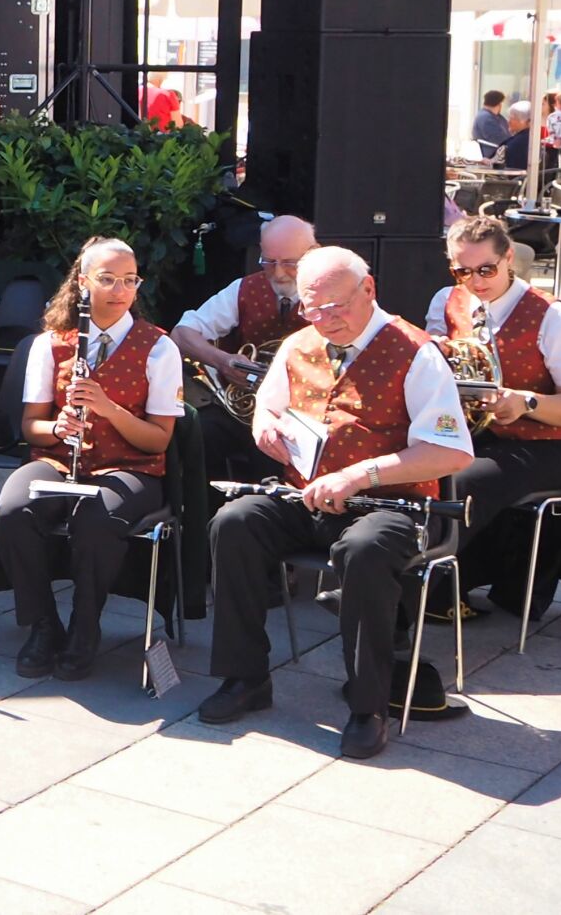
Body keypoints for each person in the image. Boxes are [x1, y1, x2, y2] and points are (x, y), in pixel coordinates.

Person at [202, 246, 473, 760]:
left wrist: (360, 474)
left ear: (368, 290)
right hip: (307, 494)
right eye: (313, 308)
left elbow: (451, 451)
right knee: (234, 522)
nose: (324, 320)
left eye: (336, 307)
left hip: (390, 504)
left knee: (364, 550)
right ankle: (245, 677)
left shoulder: (417, 352)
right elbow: (266, 408)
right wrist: (266, 430)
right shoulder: (298, 344)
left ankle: (369, 706)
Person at [0, 238, 183, 679]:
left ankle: (85, 628)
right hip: (60, 461)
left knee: (96, 520)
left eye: (130, 280)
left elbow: (158, 441)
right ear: (83, 283)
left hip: (130, 466)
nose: (120, 290)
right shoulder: (50, 345)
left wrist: (108, 408)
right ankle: (44, 624)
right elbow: (31, 427)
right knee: (11, 512)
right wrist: (58, 428)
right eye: (107, 279)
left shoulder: (160, 348)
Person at [426, 217, 561, 560]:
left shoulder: (551, 316)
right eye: (462, 272)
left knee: (461, 482)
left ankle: (422, 580)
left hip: (540, 445)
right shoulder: (446, 300)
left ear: (508, 258)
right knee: (408, 466)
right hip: (472, 435)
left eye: (486, 270)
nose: (475, 281)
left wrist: (526, 402)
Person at [171, 214, 314, 478]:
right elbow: (182, 334)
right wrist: (223, 361)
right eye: (269, 261)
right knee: (198, 432)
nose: (278, 273)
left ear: (313, 254)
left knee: (274, 450)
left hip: (301, 414)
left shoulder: (329, 295)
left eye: (289, 263)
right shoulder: (244, 289)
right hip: (242, 410)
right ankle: (204, 504)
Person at [472, 90, 511, 160]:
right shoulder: (487, 118)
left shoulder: (493, 116)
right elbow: (501, 139)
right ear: (498, 104)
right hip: (492, 155)